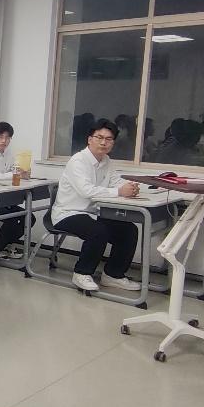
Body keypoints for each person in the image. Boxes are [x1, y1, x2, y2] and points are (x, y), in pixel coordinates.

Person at [51, 119, 142, 292]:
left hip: (93, 213)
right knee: (98, 231)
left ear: (113, 143)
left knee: (129, 230)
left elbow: (116, 182)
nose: (103, 142)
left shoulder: (106, 161)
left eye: (109, 139)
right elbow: (87, 191)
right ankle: (81, 273)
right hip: (68, 213)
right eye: (99, 137)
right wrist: (119, 192)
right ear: (89, 139)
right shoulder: (78, 161)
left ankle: (113, 274)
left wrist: (131, 187)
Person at [0, 121, 32, 260]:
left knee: (29, 218)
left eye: (8, 137)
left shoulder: (10, 153)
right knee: (12, 219)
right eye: (1, 137)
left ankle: (5, 246)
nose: (4, 141)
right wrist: (12, 174)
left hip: (6, 198)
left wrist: (24, 173)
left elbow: (16, 171)